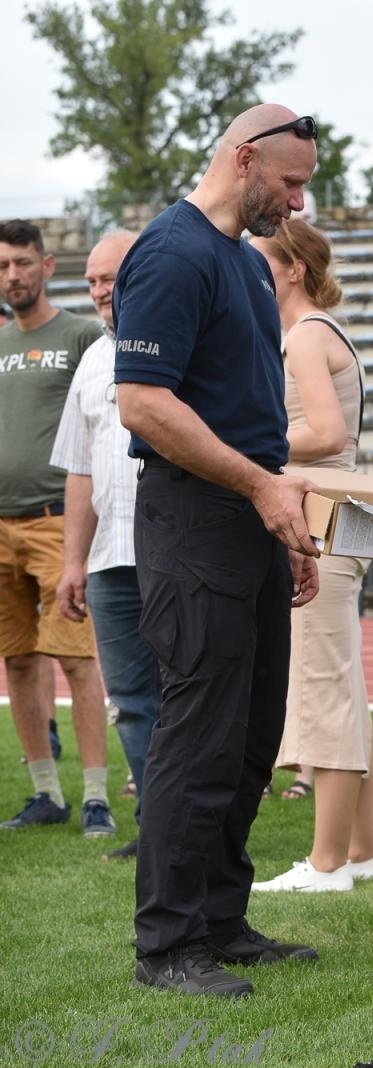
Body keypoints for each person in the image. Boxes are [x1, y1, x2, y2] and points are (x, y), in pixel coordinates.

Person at [114, 104, 324, 998]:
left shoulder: (245, 262)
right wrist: (259, 487)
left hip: (250, 520)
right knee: (197, 737)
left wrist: (284, 517)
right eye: (290, 181)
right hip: (194, 516)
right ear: (244, 160)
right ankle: (167, 946)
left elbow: (250, 412)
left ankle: (222, 922)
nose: (299, 200)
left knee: (249, 737)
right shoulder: (171, 251)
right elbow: (145, 404)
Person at [247, 218, 373, 893]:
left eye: (260, 261)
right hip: (343, 514)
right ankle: (360, 852)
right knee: (346, 684)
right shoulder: (327, 331)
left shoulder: (304, 335)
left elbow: (324, 433)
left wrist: (248, 438)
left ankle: (328, 866)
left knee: (326, 683)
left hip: (323, 517)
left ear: (293, 268)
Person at [0, 218, 111, 836]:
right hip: (0, 525)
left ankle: (95, 795)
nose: (11, 275)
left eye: (22, 262)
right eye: (2, 266)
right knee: (17, 663)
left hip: (56, 521)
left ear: (47, 267)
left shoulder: (81, 335)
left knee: (75, 662)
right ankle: (47, 793)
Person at [49, 228, 152, 859]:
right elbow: (80, 470)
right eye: (90, 281)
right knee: (133, 701)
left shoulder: (184, 342)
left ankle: (194, 828)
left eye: (110, 277)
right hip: (110, 559)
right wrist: (71, 562)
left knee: (183, 694)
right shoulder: (91, 359)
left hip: (174, 551)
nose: (99, 291)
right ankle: (159, 827)